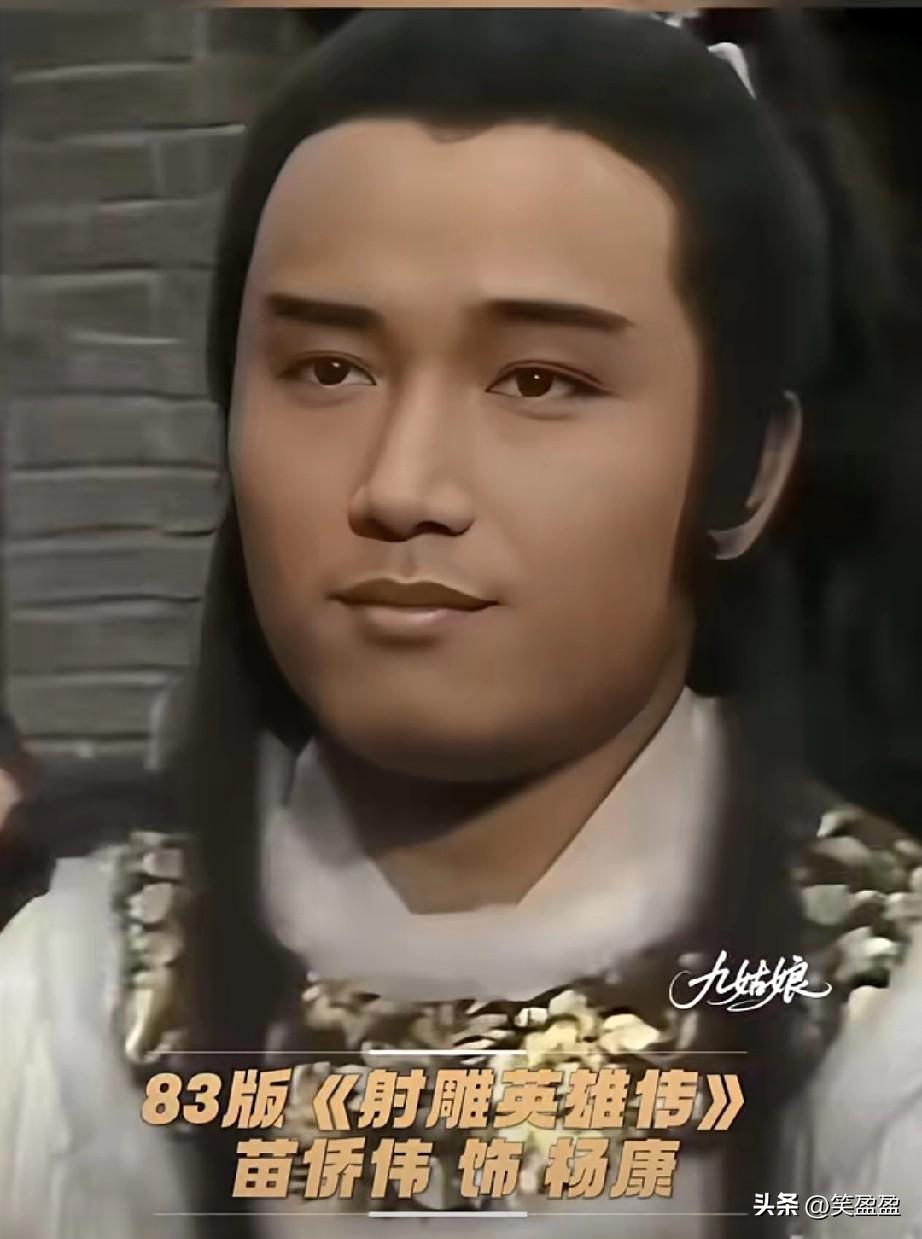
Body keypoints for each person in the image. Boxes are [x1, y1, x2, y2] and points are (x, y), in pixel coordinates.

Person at [1, 11, 921, 1239]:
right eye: (328, 371)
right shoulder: (57, 1009)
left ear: (748, 469)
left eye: (539, 381)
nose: (402, 485)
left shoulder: (881, 1030)